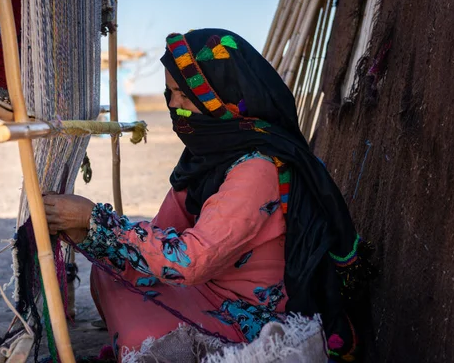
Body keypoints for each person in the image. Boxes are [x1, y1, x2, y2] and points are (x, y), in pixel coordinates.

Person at [44, 29, 373, 362]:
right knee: (110, 274)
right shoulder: (209, 159)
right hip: (207, 286)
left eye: (183, 95)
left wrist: (93, 219)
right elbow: (160, 235)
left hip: (249, 313)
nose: (172, 104)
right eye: (168, 93)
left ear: (219, 98)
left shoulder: (256, 169)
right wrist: (87, 233)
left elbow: (190, 261)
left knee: (144, 337)